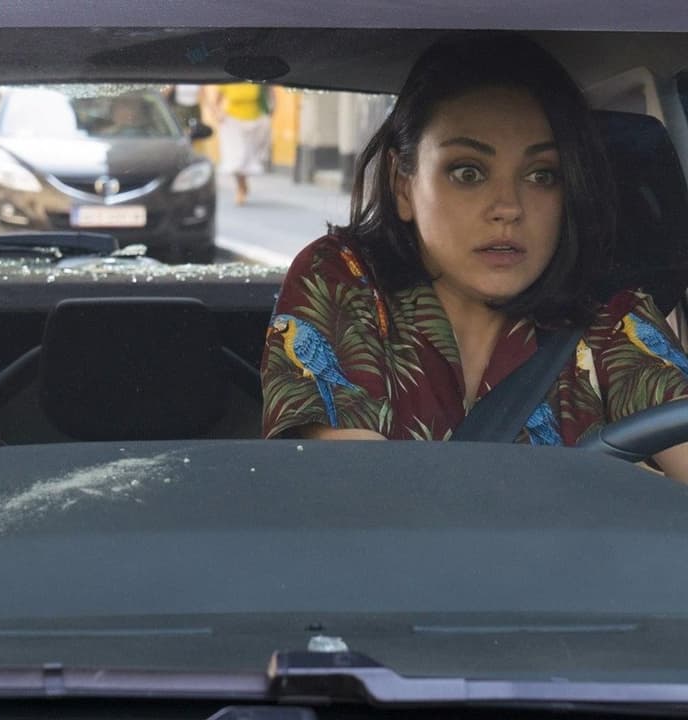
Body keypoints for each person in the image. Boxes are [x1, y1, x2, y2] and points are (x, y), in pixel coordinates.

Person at [259, 33, 688, 480]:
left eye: (542, 175)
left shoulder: (612, 318)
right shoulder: (341, 279)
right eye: (468, 172)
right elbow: (356, 488)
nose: (508, 207)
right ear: (402, 183)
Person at [213, 82, 272, 205]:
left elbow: (271, 93)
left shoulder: (256, 81)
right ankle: (240, 187)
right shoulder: (228, 82)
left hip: (255, 122)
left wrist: (271, 110)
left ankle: (243, 182)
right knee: (237, 157)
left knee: (248, 158)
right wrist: (218, 114)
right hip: (233, 122)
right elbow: (216, 102)